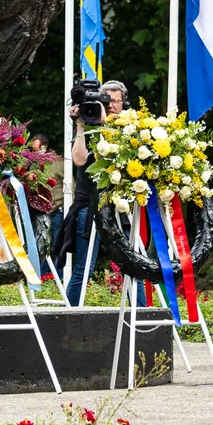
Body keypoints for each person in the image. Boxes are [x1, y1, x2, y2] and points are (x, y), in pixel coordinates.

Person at [56, 81, 125, 304]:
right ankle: (68, 318)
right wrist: (80, 125)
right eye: (106, 100)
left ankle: (142, 315)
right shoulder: (88, 121)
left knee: (131, 266)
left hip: (119, 205)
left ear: (124, 104)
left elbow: (120, 158)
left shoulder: (129, 128)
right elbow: (78, 160)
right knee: (84, 268)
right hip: (89, 205)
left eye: (116, 101)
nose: (111, 105)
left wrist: (106, 125)